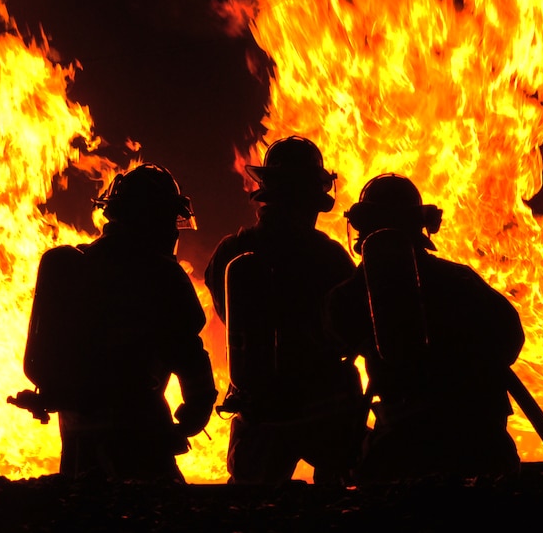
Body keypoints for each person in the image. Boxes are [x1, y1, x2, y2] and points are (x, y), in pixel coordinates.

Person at [16, 163, 217, 483]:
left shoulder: (71, 268)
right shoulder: (164, 277)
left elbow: (45, 358)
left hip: (77, 429)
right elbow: (189, 354)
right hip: (140, 433)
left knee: (85, 509)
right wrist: (195, 410)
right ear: (159, 221)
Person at [327, 173, 524, 481]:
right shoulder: (462, 280)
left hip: (403, 448)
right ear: (422, 226)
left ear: (361, 228)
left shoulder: (348, 296)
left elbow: (333, 351)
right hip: (482, 443)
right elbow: (511, 339)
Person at [204, 136, 367, 485]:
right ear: (313, 199)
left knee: (245, 508)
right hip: (326, 407)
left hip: (259, 410)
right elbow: (355, 328)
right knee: (341, 502)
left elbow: (228, 315)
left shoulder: (231, 251)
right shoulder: (331, 257)